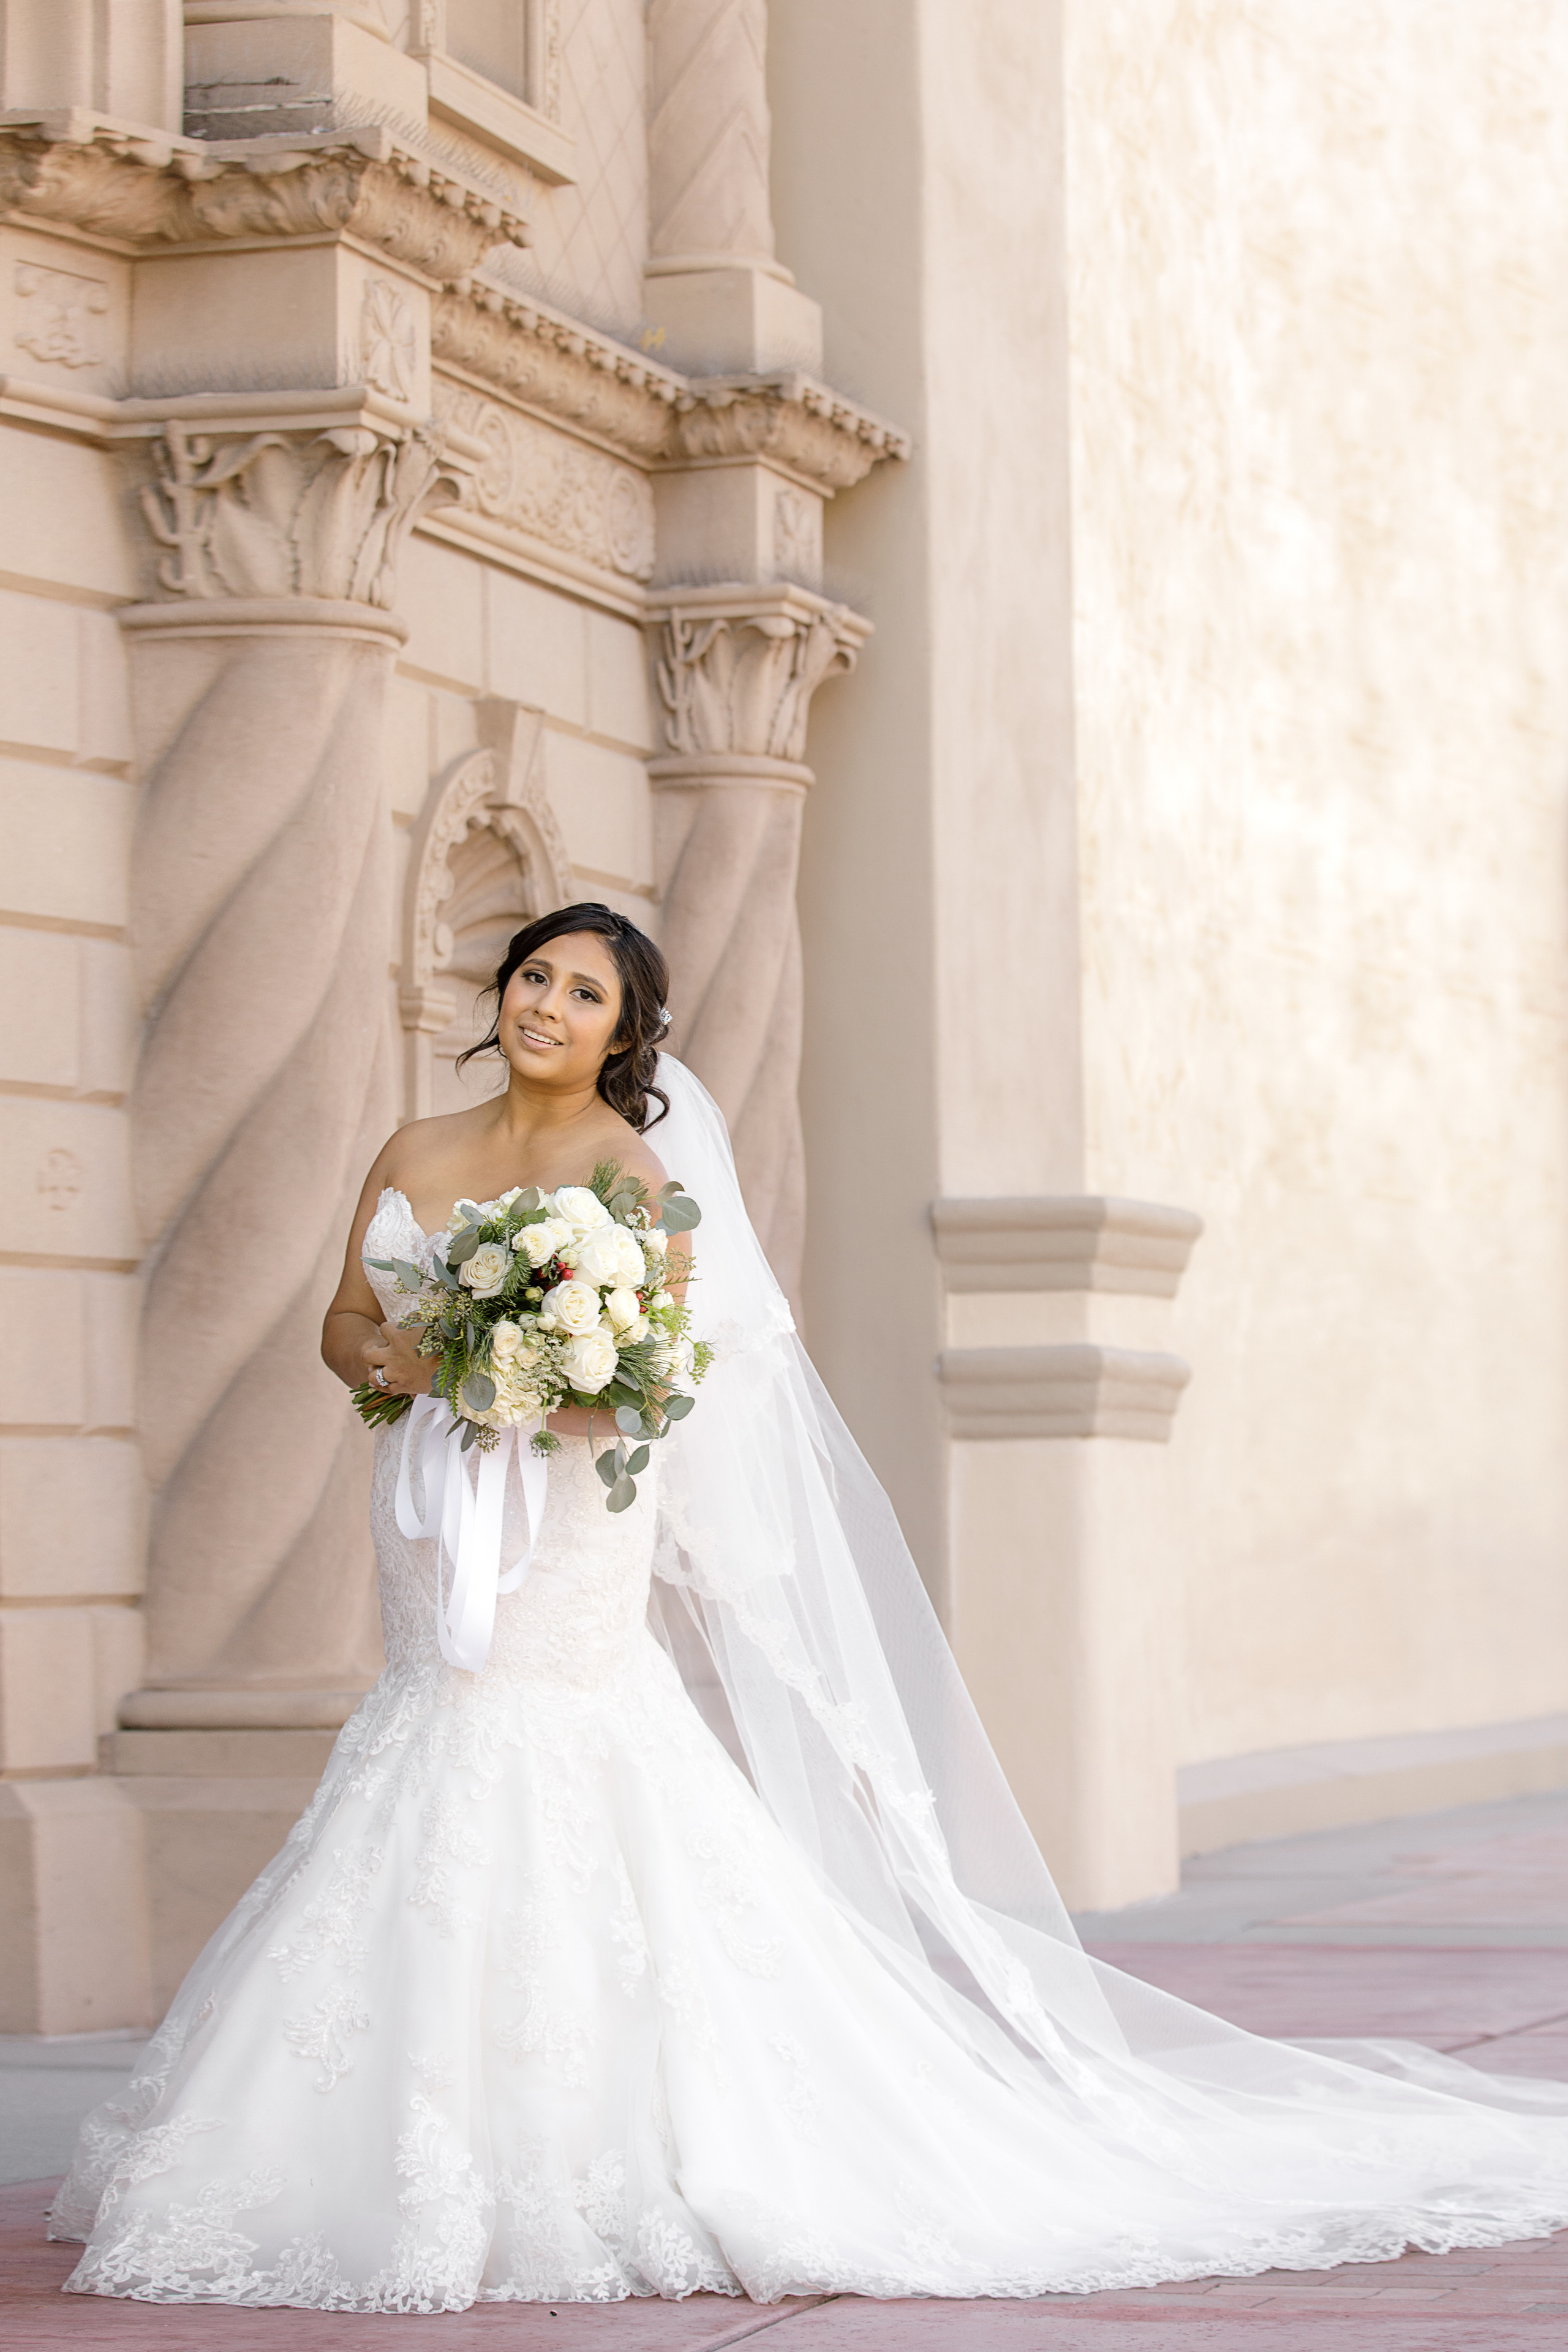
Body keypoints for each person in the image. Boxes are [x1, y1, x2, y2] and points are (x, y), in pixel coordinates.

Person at [51, 904, 1568, 2310]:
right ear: (498, 991)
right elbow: (342, 1321)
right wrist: (408, 1364)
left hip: (564, 1531)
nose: (547, 1005)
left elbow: (649, 1396)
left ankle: (589, 2144)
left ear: (624, 1034)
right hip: (428, 1506)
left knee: (528, 1740)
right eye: (534, 977)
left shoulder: (635, 1179)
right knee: (424, 1726)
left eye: (585, 994)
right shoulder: (414, 1144)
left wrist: (512, 1381)